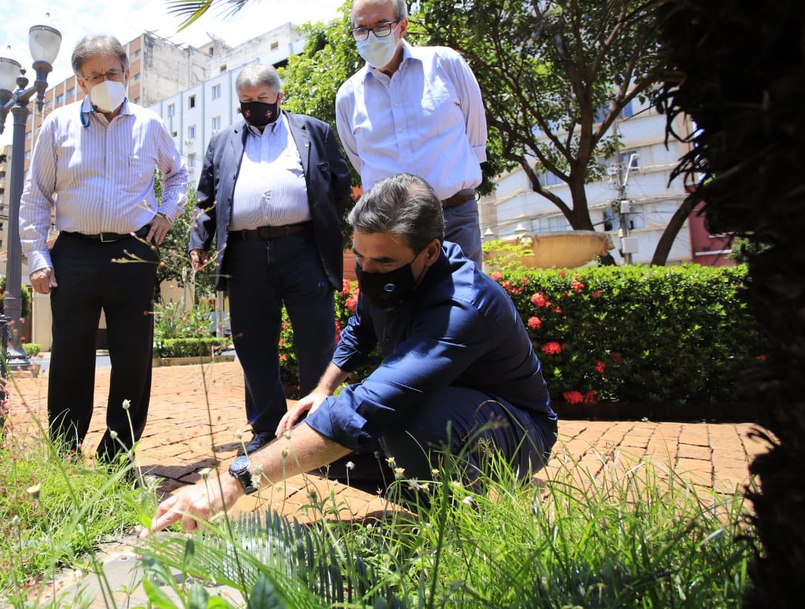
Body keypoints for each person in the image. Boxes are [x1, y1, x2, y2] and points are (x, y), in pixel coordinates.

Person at [147, 173, 557, 534]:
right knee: (307, 428)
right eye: (359, 257)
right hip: (444, 406)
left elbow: (372, 405)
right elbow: (361, 329)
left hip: (517, 428)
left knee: (405, 420)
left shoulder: (464, 306)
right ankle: (420, 488)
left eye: (382, 261)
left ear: (430, 251)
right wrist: (322, 391)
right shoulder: (391, 274)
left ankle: (459, 515)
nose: (367, 271)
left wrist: (234, 480)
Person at [19, 34, 188, 464]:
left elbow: (178, 176)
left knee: (133, 353)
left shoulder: (149, 124)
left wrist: (166, 214)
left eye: (112, 72)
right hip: (73, 252)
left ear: (126, 73)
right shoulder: (57, 125)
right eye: (94, 75)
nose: (105, 80)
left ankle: (117, 453)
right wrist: (37, 258)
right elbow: (36, 195)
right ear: (80, 81)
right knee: (70, 351)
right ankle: (65, 448)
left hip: (133, 251)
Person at [189, 64, 351, 454]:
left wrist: (326, 225)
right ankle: (265, 428)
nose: (254, 107)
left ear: (279, 97)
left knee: (315, 339)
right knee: (254, 344)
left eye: (262, 99)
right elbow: (205, 199)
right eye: (246, 101)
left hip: (303, 250)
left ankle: (317, 427)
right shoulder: (221, 142)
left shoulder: (314, 131)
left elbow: (341, 183)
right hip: (243, 255)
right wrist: (199, 241)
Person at [336, 0, 488, 265]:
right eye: (361, 29)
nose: (370, 36)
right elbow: (360, 160)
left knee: (464, 305)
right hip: (389, 232)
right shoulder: (347, 96)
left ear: (402, 26)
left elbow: (475, 139)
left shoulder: (446, 63)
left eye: (381, 25)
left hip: (454, 217)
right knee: (396, 308)